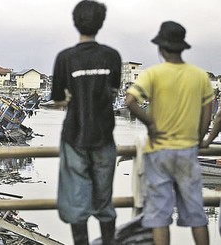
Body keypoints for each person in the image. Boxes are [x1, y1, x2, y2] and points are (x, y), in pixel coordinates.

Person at [125, 21, 213, 245]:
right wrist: (200, 138)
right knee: (196, 215)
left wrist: (152, 125)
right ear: (182, 48)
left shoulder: (153, 74)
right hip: (187, 151)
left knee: (159, 217)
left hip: (158, 152)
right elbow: (207, 112)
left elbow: (130, 101)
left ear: (161, 49)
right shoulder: (200, 76)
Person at [50, 1, 122, 244]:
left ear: (75, 22)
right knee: (104, 201)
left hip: (74, 136)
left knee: (77, 202)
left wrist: (71, 96)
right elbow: (113, 92)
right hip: (104, 135)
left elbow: (59, 98)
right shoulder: (112, 56)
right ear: (101, 24)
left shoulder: (65, 58)